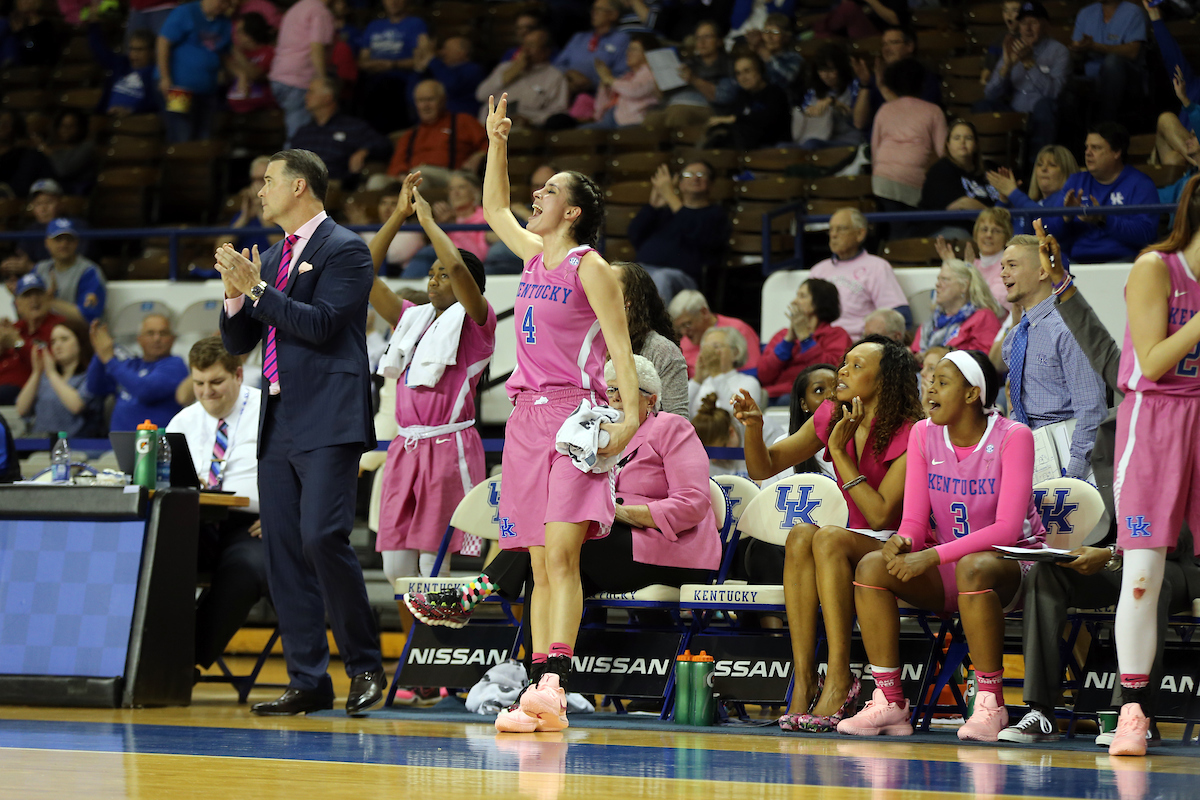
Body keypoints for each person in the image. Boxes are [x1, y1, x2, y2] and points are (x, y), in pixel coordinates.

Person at [466, 93, 640, 733]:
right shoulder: (534, 253)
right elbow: (491, 207)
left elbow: (621, 348)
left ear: (572, 211)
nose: (534, 198)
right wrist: (499, 142)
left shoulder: (591, 267)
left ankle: (555, 685)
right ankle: (538, 685)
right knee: (537, 561)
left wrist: (627, 423)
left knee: (563, 559)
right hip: (524, 418)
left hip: (575, 418)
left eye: (547, 192)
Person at [997, 218, 1199, 747]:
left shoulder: (1173, 415)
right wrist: (1062, 281)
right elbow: (1106, 351)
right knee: (1047, 575)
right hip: (1116, 554)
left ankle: (1130, 712)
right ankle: (1039, 708)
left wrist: (1110, 557)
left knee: (1146, 580)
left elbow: (1175, 544)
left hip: (1180, 564)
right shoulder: (1127, 411)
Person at [215, 149, 384, 717]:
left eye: (268, 181)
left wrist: (258, 290)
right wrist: (236, 292)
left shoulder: (346, 249)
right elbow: (239, 344)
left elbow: (319, 325)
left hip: (330, 417)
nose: (260, 191)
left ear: (301, 186)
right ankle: (309, 678)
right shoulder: (270, 255)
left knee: (321, 538)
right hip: (278, 418)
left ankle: (364, 666)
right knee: (283, 550)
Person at [404, 356, 719, 628]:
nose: (613, 398)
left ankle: (475, 593)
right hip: (609, 542)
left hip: (669, 549)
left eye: (622, 390)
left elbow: (693, 503)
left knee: (559, 545)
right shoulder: (595, 432)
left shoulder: (672, 428)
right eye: (609, 390)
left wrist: (621, 512)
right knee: (545, 561)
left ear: (651, 400)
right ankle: (540, 679)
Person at [836, 349, 1046, 741]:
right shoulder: (924, 433)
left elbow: (1005, 531)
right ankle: (890, 701)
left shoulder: (1013, 437)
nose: (929, 389)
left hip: (1013, 567)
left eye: (942, 382)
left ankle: (990, 702)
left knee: (973, 566)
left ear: (972, 394)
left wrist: (929, 555)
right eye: (930, 381)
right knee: (871, 567)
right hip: (952, 565)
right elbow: (915, 521)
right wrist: (902, 542)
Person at [733, 335, 922, 732]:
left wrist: (837, 452)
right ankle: (804, 680)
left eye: (856, 366)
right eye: (844, 363)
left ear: (885, 381)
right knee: (802, 535)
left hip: (901, 545)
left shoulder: (912, 432)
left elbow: (880, 514)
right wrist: (754, 427)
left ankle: (839, 676)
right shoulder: (830, 414)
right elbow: (763, 467)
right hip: (852, 541)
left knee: (829, 536)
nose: (842, 371)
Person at [1100, 176, 1200, 756]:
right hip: (1156, 420)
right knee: (1143, 575)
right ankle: (1132, 710)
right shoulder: (1154, 267)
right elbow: (1156, 359)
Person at [364, 173, 495, 594]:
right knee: (395, 568)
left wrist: (428, 224)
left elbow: (458, 264)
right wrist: (399, 218)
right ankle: (425, 643)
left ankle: (438, 650)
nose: (435, 279)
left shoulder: (478, 323)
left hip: (447, 445)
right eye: (431, 273)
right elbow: (363, 273)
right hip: (406, 446)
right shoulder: (411, 319)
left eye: (444, 275)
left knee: (431, 566)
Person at [166, 337, 269, 671]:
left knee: (244, 570)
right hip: (194, 522)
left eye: (216, 382)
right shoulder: (181, 423)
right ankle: (149, 657)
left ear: (238, 375)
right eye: (199, 383)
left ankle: (184, 664)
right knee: (156, 560)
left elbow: (303, 471)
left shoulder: (270, 410)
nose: (206, 391)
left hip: (252, 525)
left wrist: (282, 515)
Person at [999, 234, 1107, 480]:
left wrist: (1074, 476)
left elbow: (1091, 409)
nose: (1003, 273)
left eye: (1012, 265)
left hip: (1070, 454)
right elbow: (1019, 407)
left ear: (1042, 272)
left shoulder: (1069, 329)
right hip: (1029, 455)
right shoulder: (1013, 338)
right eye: (1002, 266)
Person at [1040, 123, 1158, 264]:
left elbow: (1146, 234)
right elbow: (1048, 231)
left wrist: (1103, 218)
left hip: (1123, 262)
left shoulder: (1140, 184)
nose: (1088, 152)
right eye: (1087, 147)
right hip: (1077, 263)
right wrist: (1066, 216)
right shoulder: (1076, 181)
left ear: (1116, 152)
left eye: (1096, 148)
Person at [977, 1, 1069, 160]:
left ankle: (1037, 169)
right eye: (1023, 23)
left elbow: (1054, 93)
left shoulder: (1059, 52)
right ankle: (986, 166)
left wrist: (1029, 63)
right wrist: (1006, 66)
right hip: (1015, 114)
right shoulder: (1012, 47)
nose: (1027, 28)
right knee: (982, 106)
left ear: (1045, 25)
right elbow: (989, 93)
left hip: (1040, 114)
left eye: (1033, 23)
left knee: (1045, 106)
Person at [627, 161, 730, 301]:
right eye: (688, 175)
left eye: (701, 174)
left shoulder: (715, 214)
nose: (695, 178)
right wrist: (652, 206)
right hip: (644, 269)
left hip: (682, 277)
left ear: (711, 184)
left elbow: (697, 235)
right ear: (680, 184)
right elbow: (635, 235)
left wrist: (670, 195)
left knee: (661, 278)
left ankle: (658, 323)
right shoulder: (666, 212)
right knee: (617, 274)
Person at [809, 208, 912, 338]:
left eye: (841, 229)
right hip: (820, 343)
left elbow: (900, 317)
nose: (833, 235)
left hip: (858, 344)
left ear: (860, 234)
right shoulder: (818, 270)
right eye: (831, 230)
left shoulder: (877, 267)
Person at [869, 59, 948, 214]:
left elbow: (875, 150)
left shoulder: (885, 109)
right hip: (915, 180)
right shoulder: (934, 111)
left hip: (882, 180)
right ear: (923, 83)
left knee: (897, 230)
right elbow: (944, 153)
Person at [611, 261, 689, 417]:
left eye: (608, 283)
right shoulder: (587, 341)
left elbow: (678, 421)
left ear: (629, 300)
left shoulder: (662, 351)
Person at [87, 313, 188, 431]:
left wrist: (109, 359)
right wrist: (100, 352)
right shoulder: (131, 364)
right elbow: (95, 387)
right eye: (150, 333)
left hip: (157, 445)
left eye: (163, 333)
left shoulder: (175, 364)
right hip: (119, 444)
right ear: (139, 339)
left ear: (172, 339)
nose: (157, 338)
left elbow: (145, 390)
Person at [290, 76, 392, 190]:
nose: (306, 96)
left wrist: (364, 151)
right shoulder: (304, 132)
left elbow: (383, 144)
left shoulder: (351, 127)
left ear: (327, 98)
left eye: (311, 92)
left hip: (333, 184)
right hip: (300, 183)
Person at [758, 278, 851, 401]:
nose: (794, 301)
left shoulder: (836, 335)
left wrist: (806, 340)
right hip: (774, 394)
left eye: (802, 296)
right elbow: (764, 375)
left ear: (819, 302)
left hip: (814, 396)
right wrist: (788, 341)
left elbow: (832, 372)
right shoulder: (782, 335)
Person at [156, 0, 233, 143]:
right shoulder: (186, 12)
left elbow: (224, 54)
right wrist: (165, 77)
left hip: (207, 91)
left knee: (204, 136)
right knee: (181, 133)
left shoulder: (224, 22)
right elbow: (163, 42)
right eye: (222, 2)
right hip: (178, 88)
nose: (225, 7)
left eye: (228, 4)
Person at [385, 80, 488, 185]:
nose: (425, 106)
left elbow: (491, 143)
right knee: (377, 181)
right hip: (416, 175)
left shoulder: (463, 121)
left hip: (452, 175)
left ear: (443, 100)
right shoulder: (410, 135)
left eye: (430, 99)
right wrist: (401, 173)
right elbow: (396, 164)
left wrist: (479, 155)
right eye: (420, 101)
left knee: (418, 178)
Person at [642, 19, 733, 131]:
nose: (702, 42)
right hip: (673, 105)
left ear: (719, 41)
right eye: (698, 38)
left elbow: (724, 97)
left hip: (706, 107)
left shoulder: (727, 64)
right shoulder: (688, 63)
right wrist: (658, 77)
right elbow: (662, 97)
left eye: (707, 37)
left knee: (678, 113)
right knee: (651, 119)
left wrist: (694, 80)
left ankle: (679, 148)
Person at [15, 317, 98, 437]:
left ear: (80, 341)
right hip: (40, 442)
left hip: (76, 443)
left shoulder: (90, 375)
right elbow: (21, 409)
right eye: (53, 341)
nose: (57, 346)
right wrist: (37, 372)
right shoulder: (45, 377)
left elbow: (76, 406)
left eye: (64, 339)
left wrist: (51, 373)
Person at [919, 120, 1000, 238]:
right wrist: (995, 217)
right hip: (949, 229)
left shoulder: (991, 169)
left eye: (968, 138)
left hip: (989, 230)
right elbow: (962, 204)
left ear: (976, 144)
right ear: (948, 144)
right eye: (956, 138)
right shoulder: (941, 169)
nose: (962, 142)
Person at [357, 0, 428, 135]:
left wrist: (392, 64)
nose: (393, 2)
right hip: (374, 81)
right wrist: (377, 65)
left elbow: (422, 59)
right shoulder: (374, 26)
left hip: (402, 82)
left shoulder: (416, 24)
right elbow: (362, 60)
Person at [269, 0, 336, 144]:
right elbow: (316, 47)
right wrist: (322, 80)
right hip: (299, 78)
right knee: (299, 136)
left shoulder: (298, 7)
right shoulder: (319, 11)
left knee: (298, 130)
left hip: (280, 75)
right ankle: (293, 166)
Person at [475, 28, 569, 130]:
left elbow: (557, 114)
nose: (525, 50)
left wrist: (531, 120)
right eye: (524, 45)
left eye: (532, 45)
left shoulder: (554, 76)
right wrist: (512, 71)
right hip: (489, 129)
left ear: (546, 52)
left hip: (526, 131)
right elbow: (481, 95)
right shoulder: (505, 68)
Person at [852, 27, 942, 132]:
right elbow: (859, 123)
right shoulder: (877, 76)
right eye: (884, 44)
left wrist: (883, 88)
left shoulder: (923, 78)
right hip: (878, 142)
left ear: (909, 46)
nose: (886, 49)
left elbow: (916, 118)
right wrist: (865, 84)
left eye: (893, 43)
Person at [1070, 0, 1146, 124]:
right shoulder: (1086, 13)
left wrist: (1095, 46)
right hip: (1090, 75)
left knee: (1113, 62)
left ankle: (1105, 124)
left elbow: (1132, 52)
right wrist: (1077, 50)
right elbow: (1075, 51)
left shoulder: (1133, 12)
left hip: (1127, 76)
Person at [401, 172, 488, 278]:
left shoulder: (484, 217)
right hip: (437, 260)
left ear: (475, 191)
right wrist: (438, 224)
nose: (455, 193)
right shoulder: (445, 216)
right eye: (451, 189)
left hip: (465, 263)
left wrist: (454, 226)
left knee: (428, 252)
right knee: (425, 254)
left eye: (461, 187)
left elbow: (477, 255)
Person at [0, 274, 70, 405]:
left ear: (47, 298)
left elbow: (53, 363)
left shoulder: (59, 327)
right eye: (27, 296)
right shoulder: (15, 328)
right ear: (17, 304)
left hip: (26, 391)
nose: (34, 300)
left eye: (38, 294)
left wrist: (17, 343)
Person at [911, 260, 1004, 354]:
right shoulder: (932, 320)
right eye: (938, 279)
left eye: (944, 279)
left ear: (964, 286)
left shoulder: (983, 317)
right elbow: (914, 351)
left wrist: (942, 355)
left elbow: (983, 359)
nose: (937, 284)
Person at [703, 54, 790, 150]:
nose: (742, 78)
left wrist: (735, 119)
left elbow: (767, 120)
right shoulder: (742, 95)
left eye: (747, 71)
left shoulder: (775, 93)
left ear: (759, 71)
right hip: (744, 145)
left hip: (770, 146)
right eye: (738, 73)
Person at [988, 144, 1078, 237]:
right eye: (1039, 164)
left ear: (1067, 172)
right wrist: (1004, 200)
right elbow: (993, 229)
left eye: (1052, 165)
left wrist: (1013, 193)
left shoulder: (1066, 202)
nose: (1043, 169)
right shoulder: (1029, 203)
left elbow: (1049, 224)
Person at [667, 290, 760, 378]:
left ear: (704, 312)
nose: (683, 332)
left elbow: (752, 372)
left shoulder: (737, 329)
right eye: (679, 328)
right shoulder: (684, 344)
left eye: (687, 324)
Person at [553, 0, 630, 100]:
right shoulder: (579, 37)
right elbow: (557, 65)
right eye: (593, 9)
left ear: (613, 15)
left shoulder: (622, 40)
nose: (594, 13)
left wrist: (590, 83)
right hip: (565, 87)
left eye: (599, 9)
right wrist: (570, 74)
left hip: (598, 96)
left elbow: (622, 74)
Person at [34, 219, 106, 325]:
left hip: (80, 337)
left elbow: (88, 317)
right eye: (58, 239)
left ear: (76, 242)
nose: (64, 244)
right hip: (44, 334)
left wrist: (51, 302)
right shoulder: (39, 269)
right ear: (47, 242)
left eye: (69, 239)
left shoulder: (89, 272)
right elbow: (26, 312)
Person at [793, 43, 863, 151]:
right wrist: (810, 111)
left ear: (841, 69)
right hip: (818, 137)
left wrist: (834, 103)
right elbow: (805, 111)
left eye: (831, 70)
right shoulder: (814, 90)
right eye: (821, 70)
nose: (825, 75)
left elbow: (857, 118)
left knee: (811, 145)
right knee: (782, 147)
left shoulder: (854, 86)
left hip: (847, 141)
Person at [586, 32, 660, 129]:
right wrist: (604, 85)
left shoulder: (652, 73)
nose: (628, 53)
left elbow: (635, 90)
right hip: (610, 118)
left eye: (633, 49)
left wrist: (609, 79)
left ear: (647, 54)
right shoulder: (627, 76)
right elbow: (600, 106)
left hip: (633, 122)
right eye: (628, 49)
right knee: (580, 133)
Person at [688, 326, 764, 418]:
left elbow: (738, 419)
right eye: (706, 348)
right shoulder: (699, 384)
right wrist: (697, 380)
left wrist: (716, 373)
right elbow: (679, 415)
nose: (710, 353)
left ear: (735, 353)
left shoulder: (748, 382)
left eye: (716, 347)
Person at [360, 178, 426, 277]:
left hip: (400, 280)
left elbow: (392, 256)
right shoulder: (370, 229)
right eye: (383, 203)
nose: (387, 208)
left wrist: (363, 233)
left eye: (393, 204)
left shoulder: (413, 231)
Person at [89, 25, 159, 118]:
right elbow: (101, 52)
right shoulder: (122, 65)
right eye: (131, 49)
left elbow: (158, 103)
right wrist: (93, 25)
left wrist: (132, 111)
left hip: (135, 121)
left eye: (139, 50)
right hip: (107, 119)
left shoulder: (156, 73)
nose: (134, 54)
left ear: (152, 52)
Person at [19, 179, 90, 265]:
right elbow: (22, 258)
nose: (43, 209)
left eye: (48, 202)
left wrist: (31, 268)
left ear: (61, 203)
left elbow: (75, 264)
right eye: (38, 204)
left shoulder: (77, 226)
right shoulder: (30, 231)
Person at [414, 35, 484, 118]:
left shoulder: (473, 70)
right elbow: (415, 93)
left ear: (462, 52)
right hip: (433, 121)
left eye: (447, 49)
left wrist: (431, 58)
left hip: (462, 121)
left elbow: (450, 85)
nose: (442, 52)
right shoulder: (440, 69)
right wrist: (419, 68)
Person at [226, 11, 276, 115]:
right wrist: (241, 74)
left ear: (250, 33)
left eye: (239, 31)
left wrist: (239, 56)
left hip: (260, 109)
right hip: (232, 109)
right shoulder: (239, 52)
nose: (236, 35)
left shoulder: (268, 52)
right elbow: (227, 64)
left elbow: (255, 74)